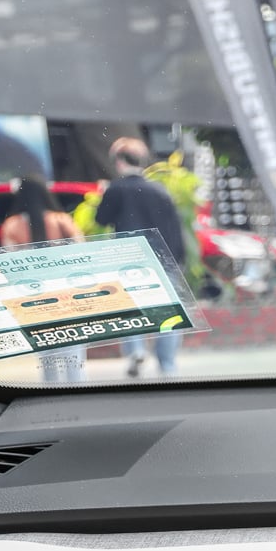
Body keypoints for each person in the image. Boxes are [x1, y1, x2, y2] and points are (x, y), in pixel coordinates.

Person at [94, 137, 188, 378]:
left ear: (119, 161)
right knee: (166, 311)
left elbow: (102, 219)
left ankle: (136, 351)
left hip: (129, 257)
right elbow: (175, 228)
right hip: (163, 258)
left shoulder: (116, 188)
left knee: (131, 306)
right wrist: (178, 260)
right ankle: (167, 362)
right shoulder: (159, 190)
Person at [0, 177, 84, 383]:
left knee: (45, 345)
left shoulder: (12, 225)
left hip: (33, 293)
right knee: (73, 342)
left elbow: (10, 263)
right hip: (66, 290)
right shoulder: (61, 220)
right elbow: (81, 250)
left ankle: (51, 388)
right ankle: (77, 385)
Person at [0, 175, 77, 247]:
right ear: (45, 194)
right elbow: (78, 242)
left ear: (20, 196)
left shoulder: (12, 224)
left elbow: (10, 252)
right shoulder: (60, 219)